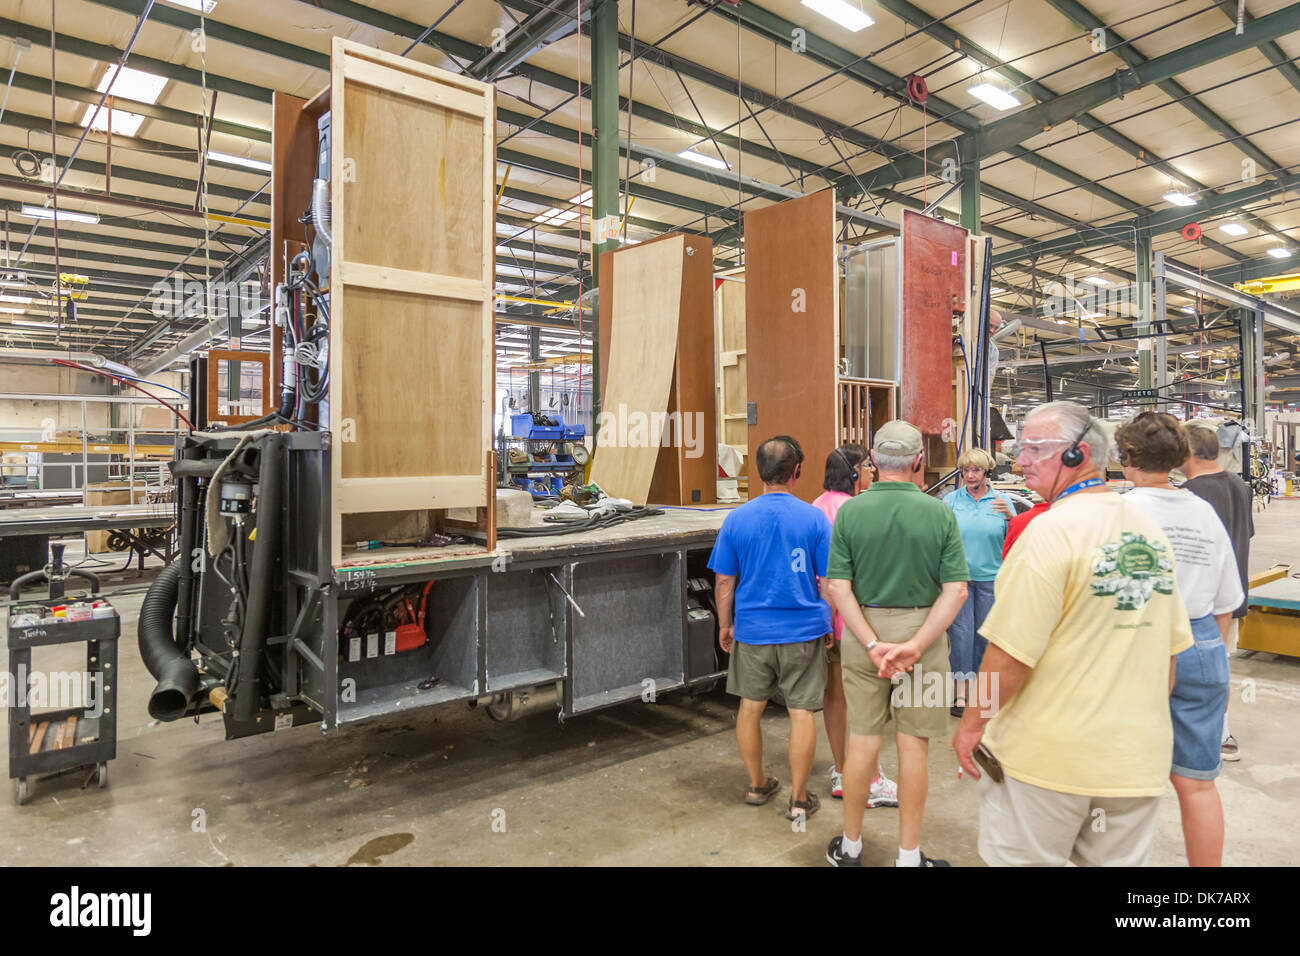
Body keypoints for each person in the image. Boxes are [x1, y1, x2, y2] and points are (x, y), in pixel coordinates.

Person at [953, 401, 1193, 866]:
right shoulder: (1149, 535)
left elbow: (1010, 656)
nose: (1020, 459)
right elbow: (1167, 657)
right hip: (1133, 766)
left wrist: (972, 723)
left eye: (1035, 449)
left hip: (1048, 767)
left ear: (1076, 455)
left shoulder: (1048, 533)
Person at [824, 420, 969, 867]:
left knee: (862, 740)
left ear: (872, 463)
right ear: (918, 462)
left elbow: (837, 587)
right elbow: (957, 590)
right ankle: (908, 857)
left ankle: (850, 847)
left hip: (863, 634)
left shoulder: (850, 512)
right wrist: (917, 644)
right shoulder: (939, 512)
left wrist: (871, 644)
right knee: (914, 745)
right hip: (921, 639)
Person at [1119, 413, 1243, 866]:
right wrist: (1215, 660)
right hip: (1203, 639)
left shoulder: (1122, 511)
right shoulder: (1203, 512)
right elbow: (1226, 602)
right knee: (1197, 784)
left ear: (1125, 459)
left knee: (1125, 786)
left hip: (1136, 646)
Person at [708, 435, 831, 822]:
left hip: (754, 631)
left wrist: (725, 625)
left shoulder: (737, 519)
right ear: (796, 472)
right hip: (803, 630)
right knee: (801, 713)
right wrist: (825, 621)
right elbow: (828, 582)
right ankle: (798, 798)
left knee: (750, 708)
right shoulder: (814, 518)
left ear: (758, 473)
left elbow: (724, 582)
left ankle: (757, 783)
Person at [811, 445, 898, 808]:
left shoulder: (816, 506)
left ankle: (842, 770)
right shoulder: (857, 509)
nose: (872, 471)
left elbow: (819, 575)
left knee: (835, 696)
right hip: (855, 620)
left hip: (825, 618)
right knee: (868, 702)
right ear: (852, 473)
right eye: (866, 465)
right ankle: (871, 778)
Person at [1182, 422, 1253, 762]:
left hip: (1201, 601)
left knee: (1198, 675)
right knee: (1220, 667)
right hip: (1233, 593)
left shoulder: (1192, 494)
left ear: (1187, 452)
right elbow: (1244, 536)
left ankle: (1209, 735)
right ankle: (1222, 731)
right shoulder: (1240, 485)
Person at [942, 448, 1013, 717]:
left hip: (992, 578)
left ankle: (984, 693)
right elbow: (942, 541)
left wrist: (1010, 516)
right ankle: (960, 693)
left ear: (986, 472)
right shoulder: (950, 501)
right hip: (959, 579)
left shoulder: (1001, 500)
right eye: (966, 470)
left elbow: (1014, 539)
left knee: (986, 636)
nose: (970, 476)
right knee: (960, 637)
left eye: (976, 470)